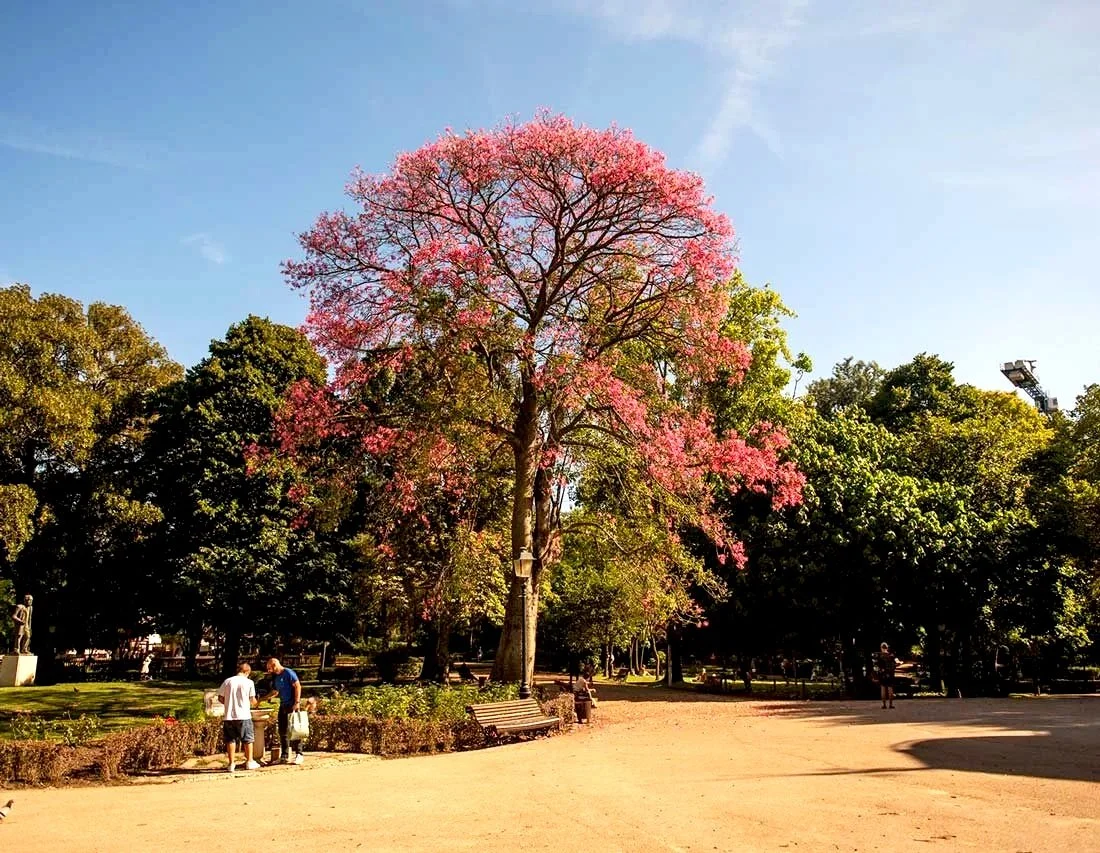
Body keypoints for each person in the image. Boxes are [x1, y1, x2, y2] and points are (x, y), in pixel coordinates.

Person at [260, 657, 304, 764]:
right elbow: (275, 692)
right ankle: (284, 756)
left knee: (295, 730)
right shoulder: (276, 677)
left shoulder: (288, 673)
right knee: (282, 731)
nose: (269, 671)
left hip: (292, 705)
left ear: (275, 665)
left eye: (269, 668)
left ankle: (299, 754)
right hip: (283, 705)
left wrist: (297, 702)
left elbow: (297, 686)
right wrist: (262, 699)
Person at [217, 662, 260, 772]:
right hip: (244, 715)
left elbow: (220, 698)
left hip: (229, 715)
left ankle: (231, 764)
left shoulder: (227, 681)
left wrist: (229, 704)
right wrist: (258, 702)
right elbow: (252, 700)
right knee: (247, 739)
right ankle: (249, 761)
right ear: (247, 672)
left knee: (230, 740)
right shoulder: (249, 682)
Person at [876, 642, 897, 709]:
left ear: (881, 648)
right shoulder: (891, 655)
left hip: (882, 674)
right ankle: (891, 704)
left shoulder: (880, 656)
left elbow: (878, 666)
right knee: (890, 689)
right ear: (887, 647)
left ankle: (884, 705)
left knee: (883, 689)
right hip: (890, 673)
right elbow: (895, 664)